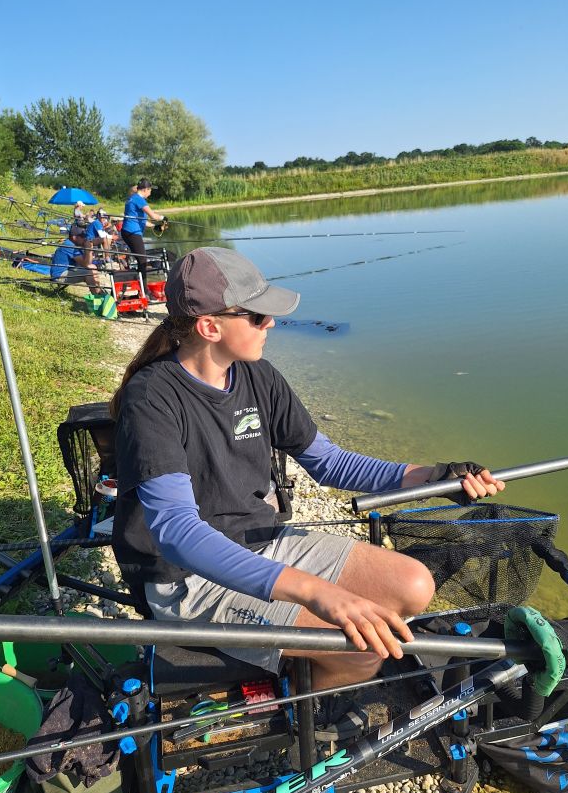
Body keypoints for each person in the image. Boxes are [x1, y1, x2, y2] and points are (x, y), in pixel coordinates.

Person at [110, 247, 504, 738]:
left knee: (415, 586)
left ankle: (303, 668)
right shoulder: (152, 398)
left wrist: (434, 476)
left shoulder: (258, 375)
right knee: (363, 648)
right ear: (210, 327)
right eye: (257, 315)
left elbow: (330, 462)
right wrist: (318, 594)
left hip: (264, 539)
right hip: (188, 577)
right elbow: (175, 532)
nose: (270, 324)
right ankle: (301, 711)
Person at [120, 179, 166, 293]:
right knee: (142, 261)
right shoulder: (138, 199)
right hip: (132, 232)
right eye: (150, 190)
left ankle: (141, 285)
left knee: (141, 260)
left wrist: (154, 227)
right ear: (146, 190)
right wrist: (163, 218)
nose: (150, 193)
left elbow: (142, 220)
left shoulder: (134, 198)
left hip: (129, 232)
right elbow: (153, 215)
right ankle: (144, 289)